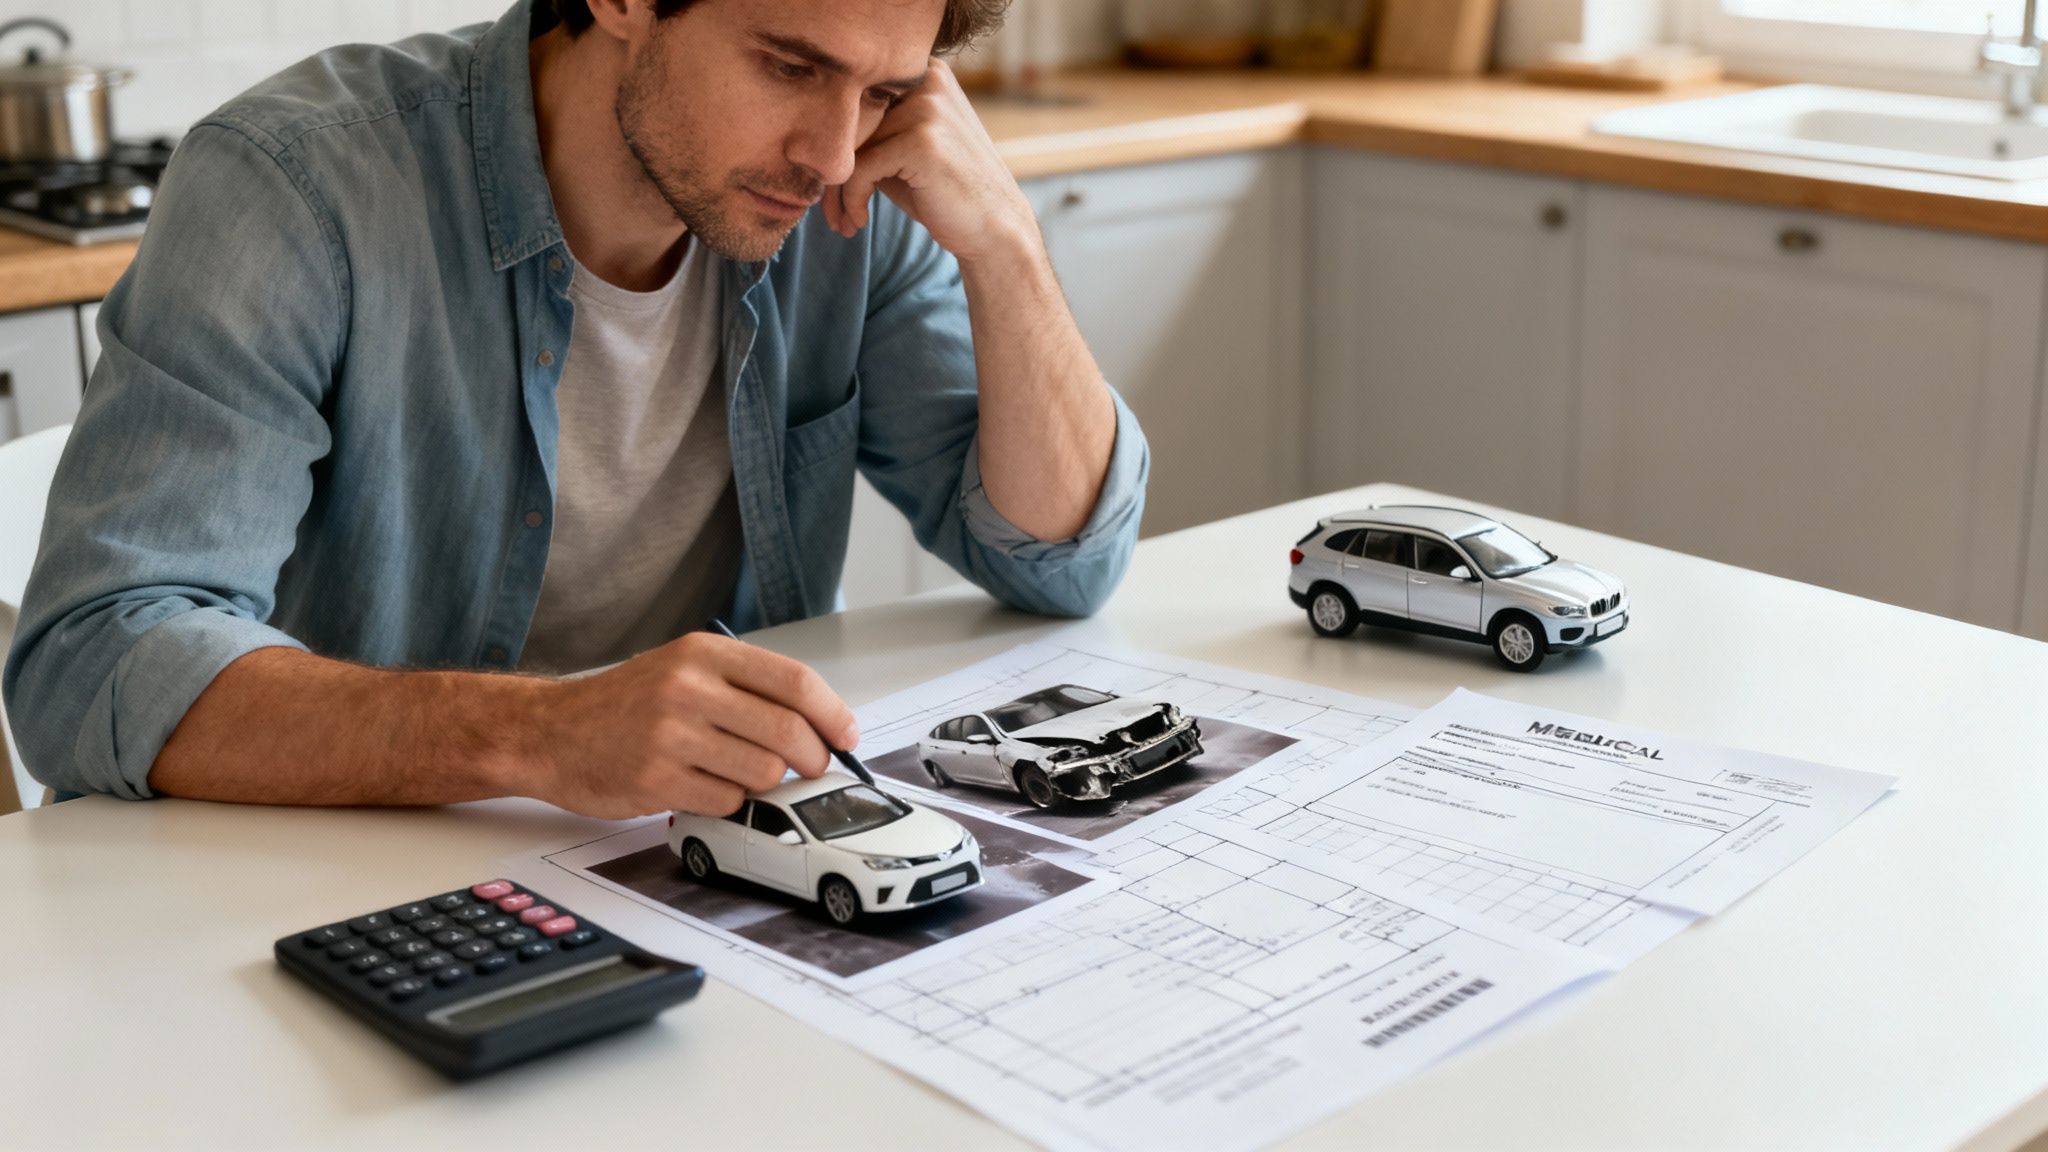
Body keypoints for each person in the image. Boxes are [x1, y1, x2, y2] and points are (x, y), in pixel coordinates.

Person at [2, 0, 1146, 819]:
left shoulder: (856, 190)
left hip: (688, 863)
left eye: (885, 90)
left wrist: (1006, 242)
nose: (832, 149)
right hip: (318, 878)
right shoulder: (297, 188)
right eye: (789, 67)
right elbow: (96, 661)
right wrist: (542, 733)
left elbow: (1060, 561)